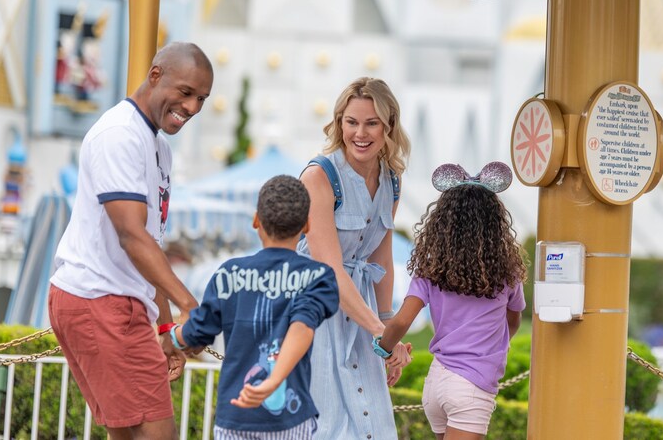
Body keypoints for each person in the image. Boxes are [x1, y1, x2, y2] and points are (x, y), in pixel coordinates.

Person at [48, 42, 213, 440]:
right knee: (156, 435)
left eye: (202, 99)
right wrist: (189, 304)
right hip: (100, 300)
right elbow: (131, 237)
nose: (192, 107)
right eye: (186, 92)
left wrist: (164, 328)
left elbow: (147, 245)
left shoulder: (156, 144)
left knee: (131, 434)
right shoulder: (120, 134)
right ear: (155, 75)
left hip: (109, 300)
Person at [172, 175, 340, 439]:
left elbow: (197, 332)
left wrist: (168, 336)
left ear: (256, 221)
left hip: (234, 417)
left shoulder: (229, 273)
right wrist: (274, 382)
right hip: (290, 420)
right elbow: (303, 325)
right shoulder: (319, 276)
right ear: (307, 224)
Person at [297, 77, 413, 440]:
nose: (360, 133)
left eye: (371, 123)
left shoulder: (392, 179)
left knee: (371, 426)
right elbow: (329, 271)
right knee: (326, 425)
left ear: (389, 126)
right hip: (315, 310)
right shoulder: (319, 176)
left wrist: (387, 327)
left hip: (361, 314)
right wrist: (381, 333)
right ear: (339, 123)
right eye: (351, 122)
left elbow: (383, 259)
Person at [377, 162, 528, 440]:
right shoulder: (508, 272)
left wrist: (384, 351)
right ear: (496, 223)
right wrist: (493, 346)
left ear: (443, 223)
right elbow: (513, 320)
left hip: (436, 383)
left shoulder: (430, 269)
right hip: (472, 387)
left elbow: (400, 321)